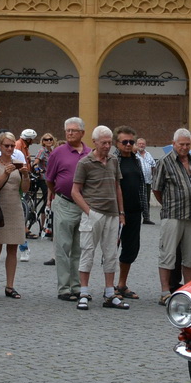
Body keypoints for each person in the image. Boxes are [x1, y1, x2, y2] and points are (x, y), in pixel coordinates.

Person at [72, 125, 127, 310]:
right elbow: (75, 191)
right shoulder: (84, 163)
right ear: (94, 142)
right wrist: (89, 211)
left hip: (112, 214)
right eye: (103, 142)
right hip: (93, 213)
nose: (107, 146)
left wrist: (121, 212)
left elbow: (117, 187)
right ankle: (84, 292)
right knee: (87, 252)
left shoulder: (113, 160)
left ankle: (110, 293)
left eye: (109, 142)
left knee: (111, 253)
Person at [152, 129, 191, 295]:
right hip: (173, 215)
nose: (184, 147)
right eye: (181, 144)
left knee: (190, 257)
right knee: (168, 255)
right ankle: (165, 291)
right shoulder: (164, 162)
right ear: (174, 144)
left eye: (188, 144)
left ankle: (188, 290)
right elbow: (156, 189)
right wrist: (168, 204)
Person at [46, 119, 90, 298]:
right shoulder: (58, 152)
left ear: (82, 133)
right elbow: (49, 179)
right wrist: (57, 194)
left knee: (80, 248)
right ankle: (64, 288)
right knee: (63, 247)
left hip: (85, 205)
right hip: (64, 203)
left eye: (73, 130)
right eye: (67, 131)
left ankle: (77, 286)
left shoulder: (89, 153)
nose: (69, 133)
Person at [0, 131, 27, 299]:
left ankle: (10, 286)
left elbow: (24, 189)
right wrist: (6, 173)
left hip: (15, 207)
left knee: (13, 248)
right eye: (6, 146)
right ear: (0, 146)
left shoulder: (18, 162)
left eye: (12, 146)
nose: (10, 148)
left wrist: (25, 175)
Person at [113, 126, 145, 297]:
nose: (128, 144)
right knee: (112, 249)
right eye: (124, 141)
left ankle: (122, 284)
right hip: (116, 212)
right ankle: (109, 286)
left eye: (131, 142)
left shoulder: (136, 160)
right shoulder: (113, 160)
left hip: (134, 211)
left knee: (131, 249)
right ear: (116, 143)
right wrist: (119, 212)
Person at [133, 136, 157, 224]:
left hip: (147, 181)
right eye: (139, 144)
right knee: (138, 200)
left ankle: (146, 218)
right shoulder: (134, 154)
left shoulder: (148, 154)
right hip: (138, 181)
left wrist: (154, 175)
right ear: (136, 144)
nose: (141, 145)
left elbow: (153, 165)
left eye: (143, 144)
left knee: (147, 201)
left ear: (145, 145)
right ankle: (137, 218)